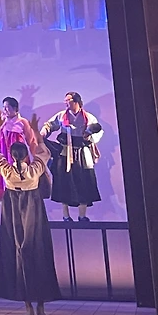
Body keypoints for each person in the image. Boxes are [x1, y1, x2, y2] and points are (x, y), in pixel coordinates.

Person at [0, 109, 60, 315]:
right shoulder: (34, 169)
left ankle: (28, 305)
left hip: (14, 211)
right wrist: (35, 131)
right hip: (33, 210)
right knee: (38, 251)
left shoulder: (7, 170)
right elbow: (43, 151)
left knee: (19, 252)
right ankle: (41, 307)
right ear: (26, 155)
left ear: (11, 155)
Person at [41, 92, 103, 222]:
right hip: (65, 152)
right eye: (65, 101)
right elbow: (50, 125)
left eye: (68, 100)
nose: (66, 103)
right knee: (63, 182)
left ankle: (82, 215)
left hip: (82, 152)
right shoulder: (62, 115)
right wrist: (43, 132)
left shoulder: (89, 118)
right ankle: (66, 215)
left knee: (85, 181)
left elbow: (97, 132)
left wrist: (89, 136)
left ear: (76, 102)